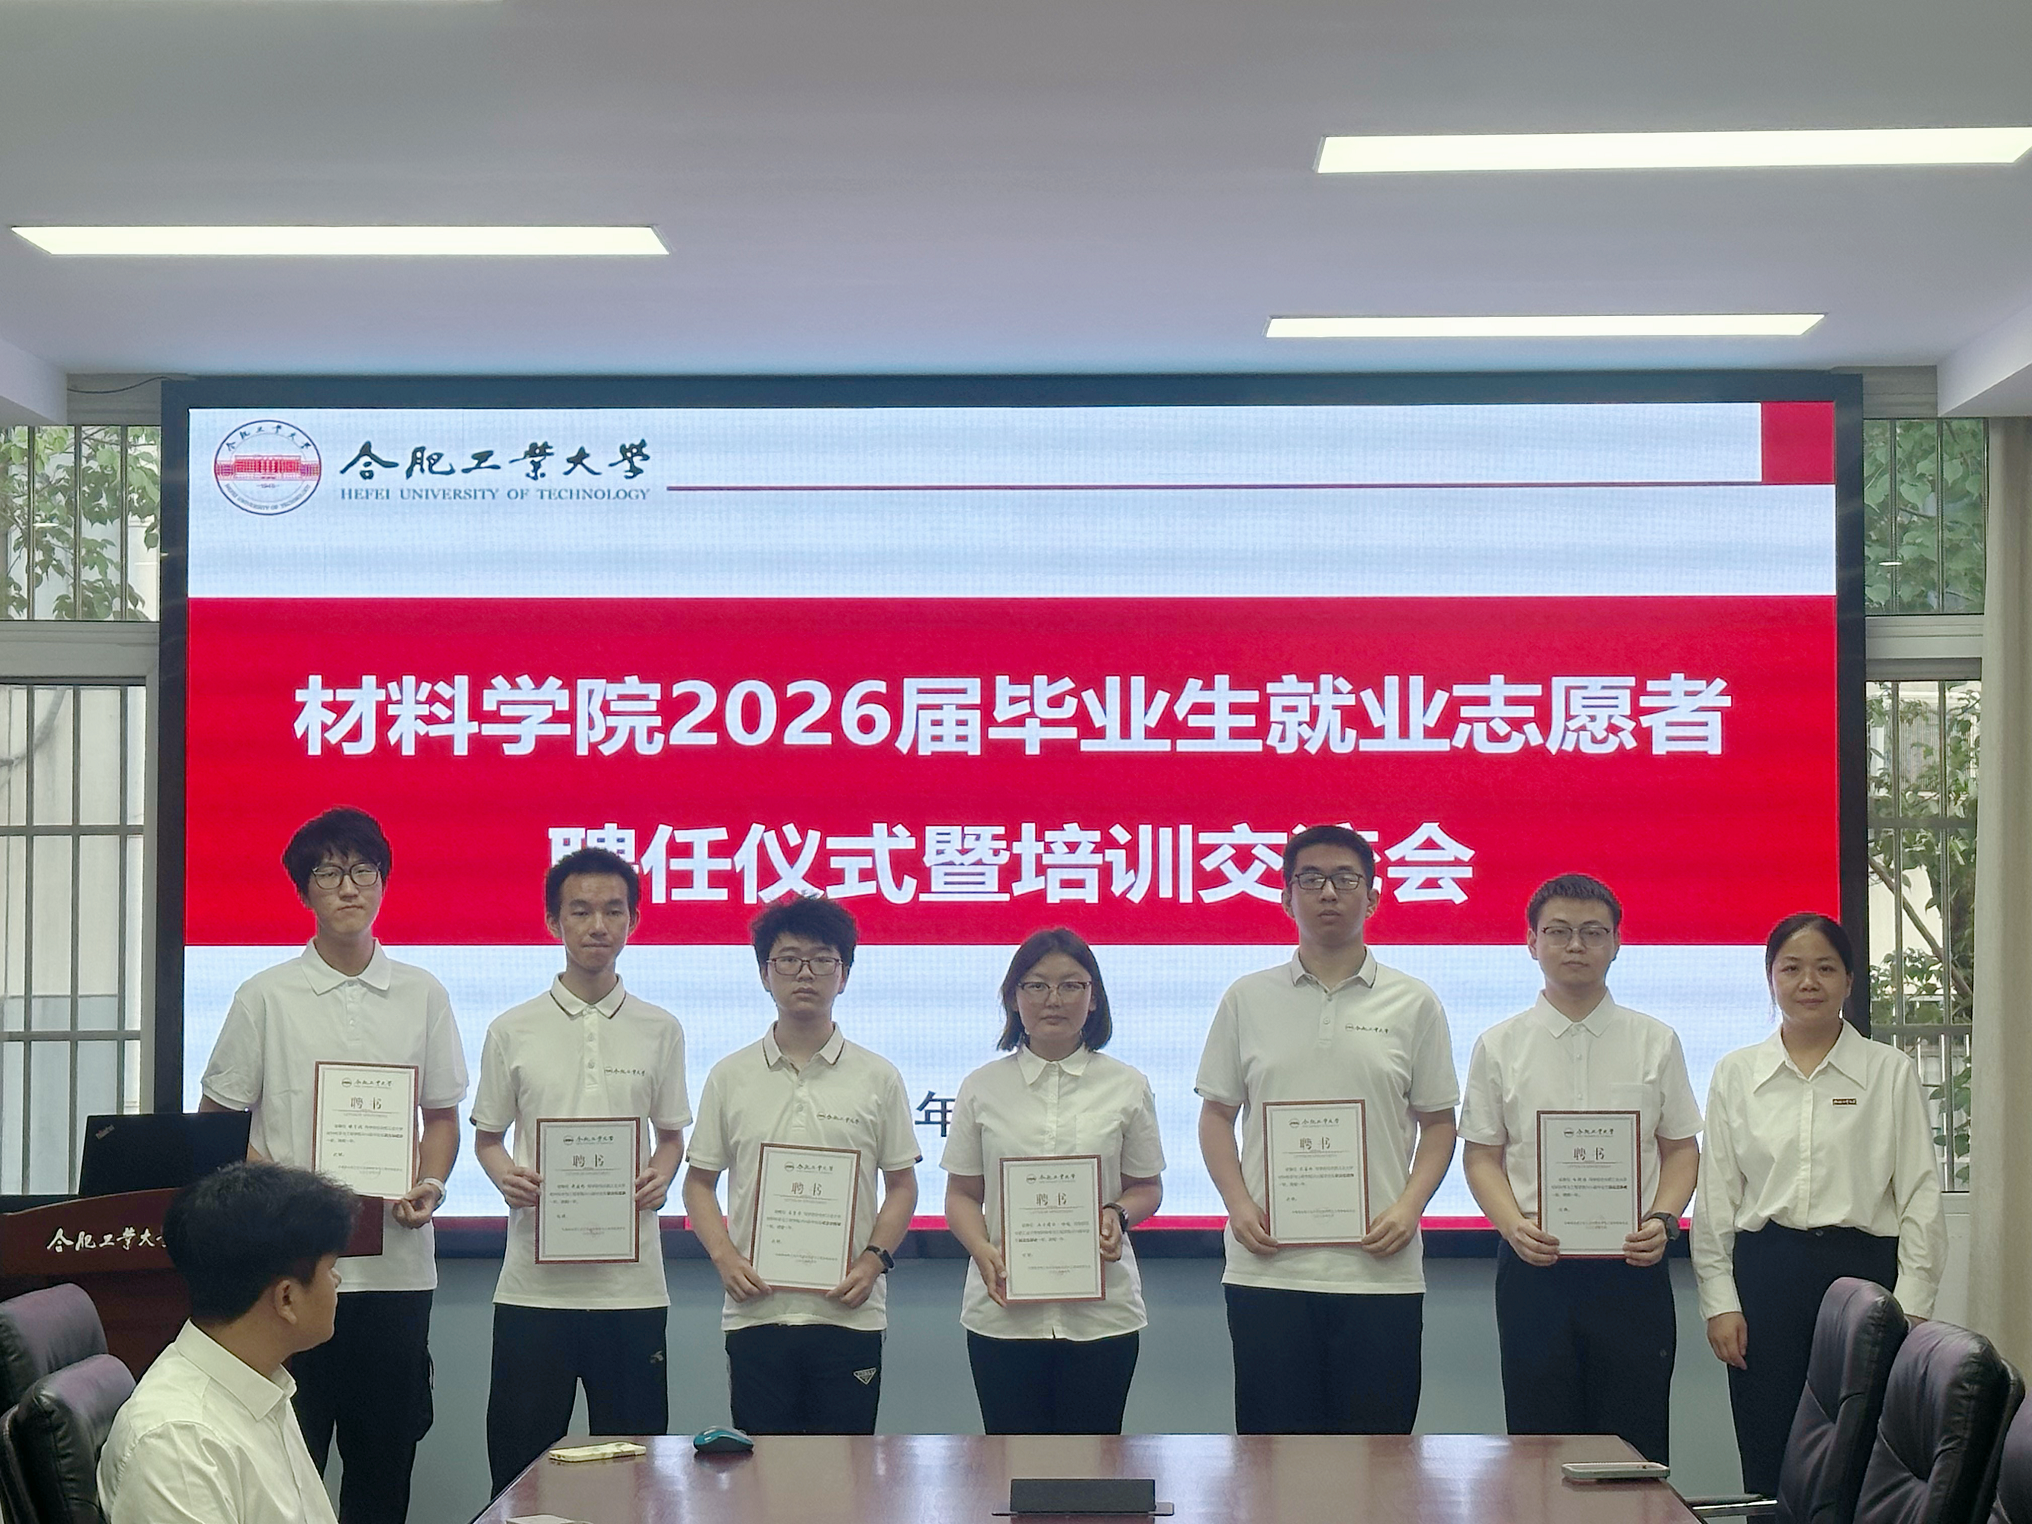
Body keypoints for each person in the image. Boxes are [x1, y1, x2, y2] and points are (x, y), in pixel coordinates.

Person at [198, 806, 467, 1524]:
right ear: (303, 890)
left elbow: (441, 1118)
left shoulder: (424, 992)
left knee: (385, 1465)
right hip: (291, 1272)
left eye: (363, 871)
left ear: (383, 883)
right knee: (289, 1464)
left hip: (397, 1270)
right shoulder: (265, 995)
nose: (349, 887)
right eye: (328, 872)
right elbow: (219, 1124)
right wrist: (288, 1200)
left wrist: (431, 1182)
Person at [1194, 823, 1459, 1434]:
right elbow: (1216, 1116)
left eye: (1345, 879)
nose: (1329, 892)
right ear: (1287, 898)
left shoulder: (1414, 1002)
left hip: (1379, 1271)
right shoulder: (1246, 998)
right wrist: (1238, 1205)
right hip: (1268, 1268)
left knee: (1379, 1460)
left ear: (1373, 897)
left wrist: (1410, 1208)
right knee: (1272, 1460)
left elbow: (1439, 1124)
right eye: (1310, 879)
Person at [1691, 912, 1948, 1496]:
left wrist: (1912, 1303)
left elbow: (1918, 1195)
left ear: (1849, 980)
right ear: (1771, 979)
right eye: (1792, 969)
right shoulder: (1736, 1073)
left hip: (1864, 1278)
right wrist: (1719, 1302)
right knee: (1769, 1448)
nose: (1808, 982)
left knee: (1864, 1453)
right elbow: (1717, 1200)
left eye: (1825, 968)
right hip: (1767, 1277)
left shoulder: (1888, 1072)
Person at [1457, 873, 1702, 1464]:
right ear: (1531, 942)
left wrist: (1664, 1219)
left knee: (1635, 1442)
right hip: (1534, 1267)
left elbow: (1681, 1149)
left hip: (1632, 1266)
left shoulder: (1655, 1040)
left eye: (1593, 932)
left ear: (1616, 942)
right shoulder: (1499, 1045)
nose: (1575, 945)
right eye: (1558, 932)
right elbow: (1482, 1155)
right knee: (1539, 1446)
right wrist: (1513, 1226)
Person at [470, 847, 690, 1494]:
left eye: (614, 911)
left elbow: (671, 1136)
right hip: (533, 1288)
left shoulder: (661, 1028)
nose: (598, 925)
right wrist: (505, 1175)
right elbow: (487, 1139)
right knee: (519, 1472)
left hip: (632, 1288)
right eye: (581, 911)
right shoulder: (512, 1028)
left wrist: (661, 1174)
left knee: (635, 1475)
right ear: (553, 921)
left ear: (634, 921)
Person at [682, 895, 921, 1434]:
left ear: (845, 974)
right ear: (764, 974)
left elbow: (903, 1186)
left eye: (822, 959)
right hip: (756, 1310)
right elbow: (698, 1183)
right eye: (788, 959)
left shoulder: (878, 1077)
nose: (805, 973)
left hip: (849, 1310)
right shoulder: (730, 1075)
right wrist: (724, 1257)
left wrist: (872, 1261)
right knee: (762, 1468)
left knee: (846, 1469)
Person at [942, 928, 1165, 1435]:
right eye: (1037, 985)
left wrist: (1117, 1214)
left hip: (1102, 1313)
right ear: (1013, 997)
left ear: (1093, 998)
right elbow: (961, 1195)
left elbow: (1146, 1187)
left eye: (1071, 985)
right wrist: (981, 1249)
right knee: (1011, 1464)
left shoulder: (1127, 1085)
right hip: (1003, 1312)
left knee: (1093, 1464)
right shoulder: (981, 1087)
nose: (1054, 999)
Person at [99, 1162, 357, 1524]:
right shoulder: (179, 1442)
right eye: (330, 1268)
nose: (337, 1280)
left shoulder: (259, 1381)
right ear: (286, 1298)